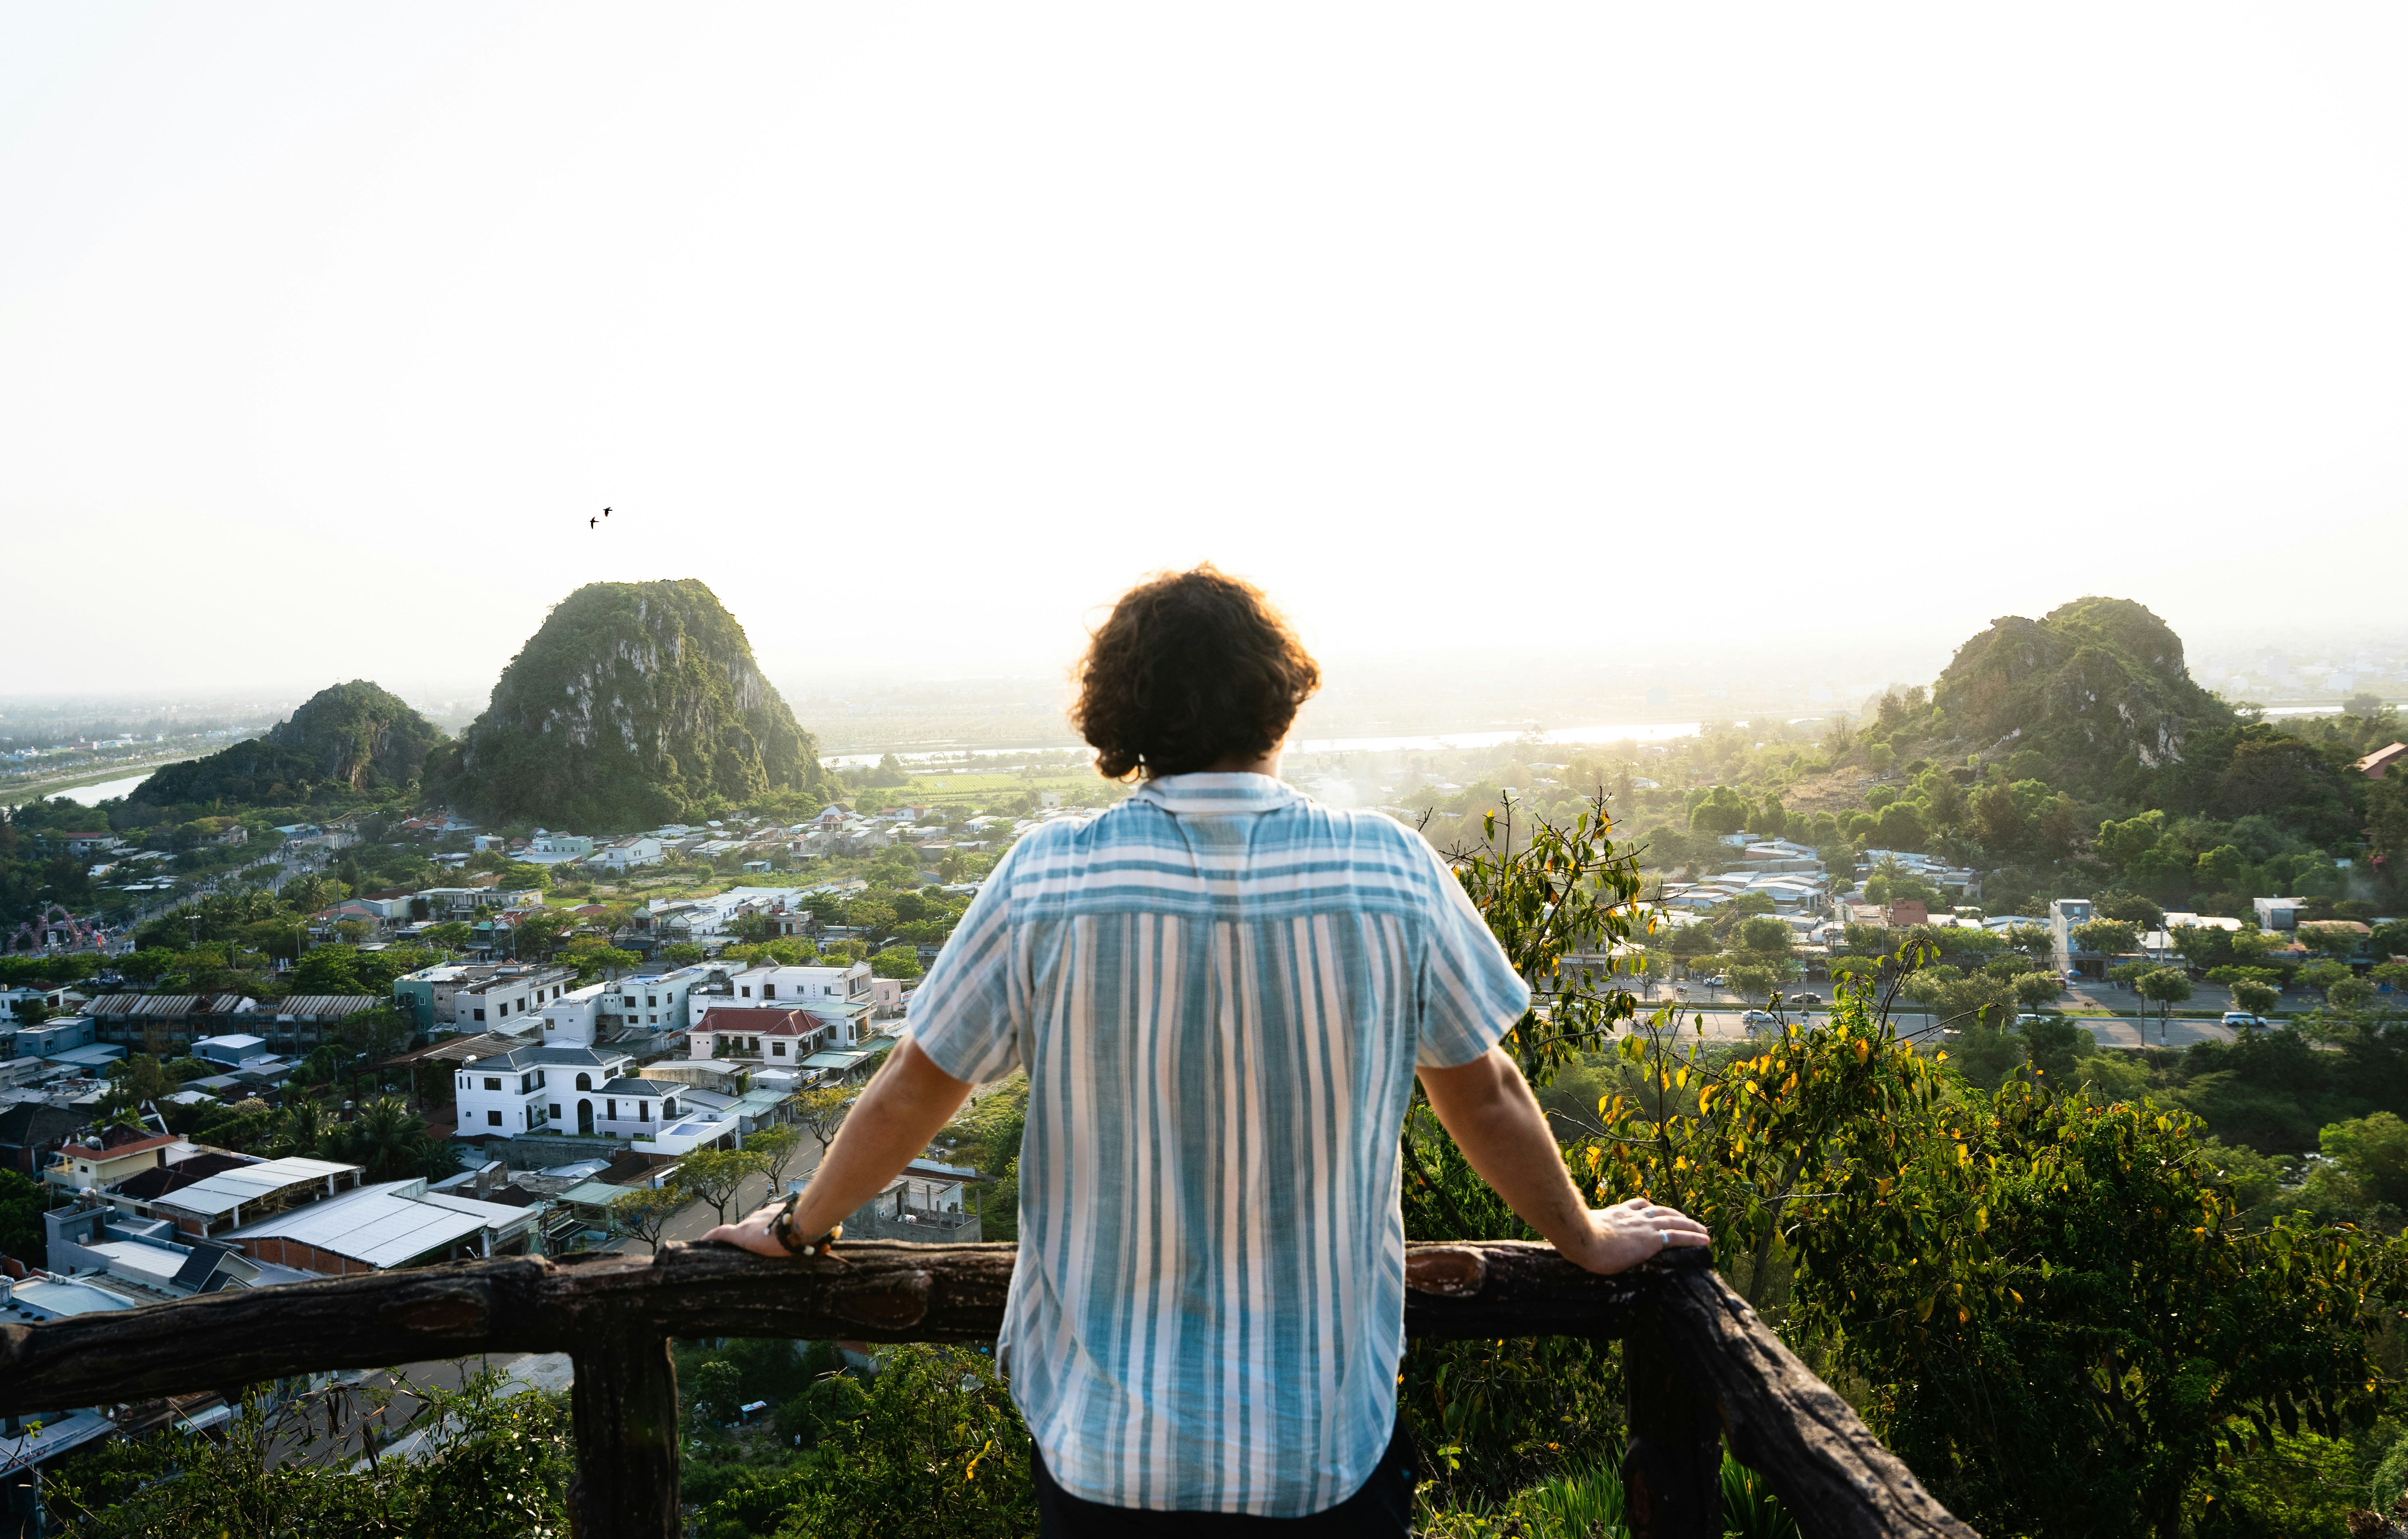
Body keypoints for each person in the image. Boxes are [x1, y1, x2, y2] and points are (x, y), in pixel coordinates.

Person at [708, 566, 1708, 1535]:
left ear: (1119, 716)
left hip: (1108, 1451)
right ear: (1280, 697)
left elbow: (914, 1090)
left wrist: (799, 1227)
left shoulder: (1047, 879)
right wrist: (1582, 1238)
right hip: (1319, 1449)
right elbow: (1483, 1093)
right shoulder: (1388, 867)